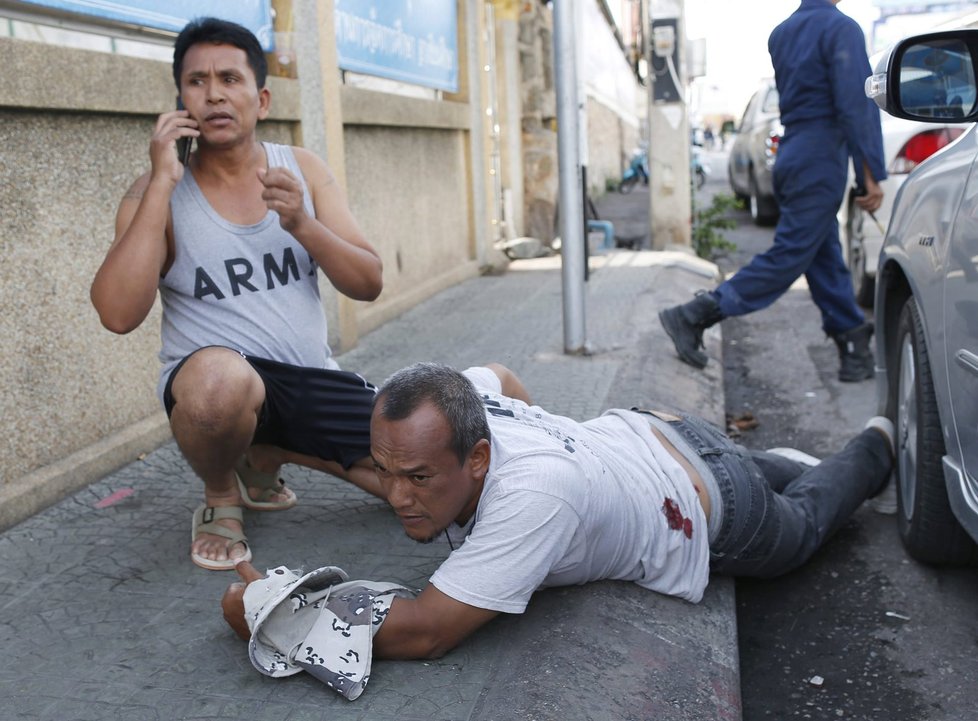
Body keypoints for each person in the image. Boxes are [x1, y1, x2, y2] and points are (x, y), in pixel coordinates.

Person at [222, 362, 894, 659]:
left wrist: (276, 614)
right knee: (755, 468)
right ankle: (772, 461)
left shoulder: (533, 497)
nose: (396, 495)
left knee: (800, 528)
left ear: (478, 458)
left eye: (419, 477)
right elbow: (503, 375)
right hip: (655, 433)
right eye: (385, 470)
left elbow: (425, 631)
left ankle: (877, 448)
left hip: (717, 509)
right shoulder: (458, 403)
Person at [90, 18, 384, 571]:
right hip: (218, 388)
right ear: (179, 102)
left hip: (310, 381)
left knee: (417, 486)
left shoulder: (303, 170)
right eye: (197, 81)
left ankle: (272, 450)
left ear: (262, 97)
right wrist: (160, 183)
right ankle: (222, 493)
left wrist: (302, 223)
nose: (215, 93)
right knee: (219, 383)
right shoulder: (153, 196)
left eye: (230, 77)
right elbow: (116, 313)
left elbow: (368, 282)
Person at [659, 0, 886, 383]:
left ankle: (852, 341)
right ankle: (695, 314)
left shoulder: (781, 33)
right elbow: (855, 106)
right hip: (819, 156)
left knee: (822, 252)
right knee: (791, 254)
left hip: (791, 151)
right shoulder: (841, 28)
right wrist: (871, 173)